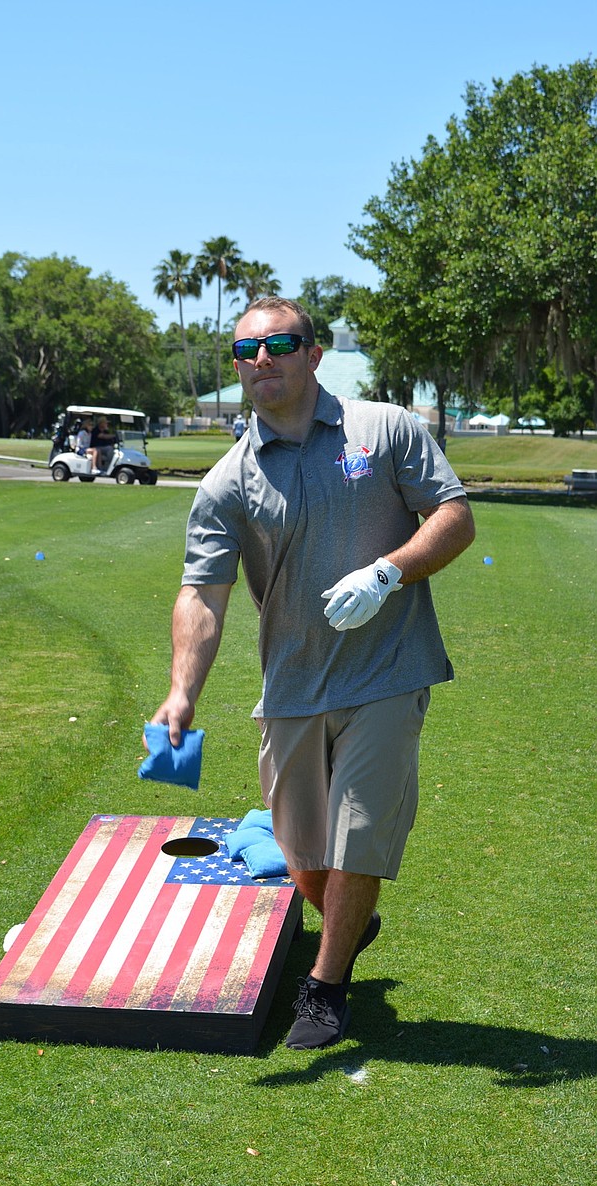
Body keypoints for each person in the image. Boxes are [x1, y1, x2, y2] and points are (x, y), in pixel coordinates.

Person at [147, 296, 475, 1050]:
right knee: (303, 854)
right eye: (246, 351)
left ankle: (325, 991)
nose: (262, 360)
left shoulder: (384, 429)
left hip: (388, 670)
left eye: (280, 344)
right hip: (292, 685)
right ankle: (348, 924)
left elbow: (453, 514)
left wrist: (389, 574)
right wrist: (181, 691)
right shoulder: (227, 481)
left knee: (358, 836)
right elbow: (201, 594)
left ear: (313, 354)